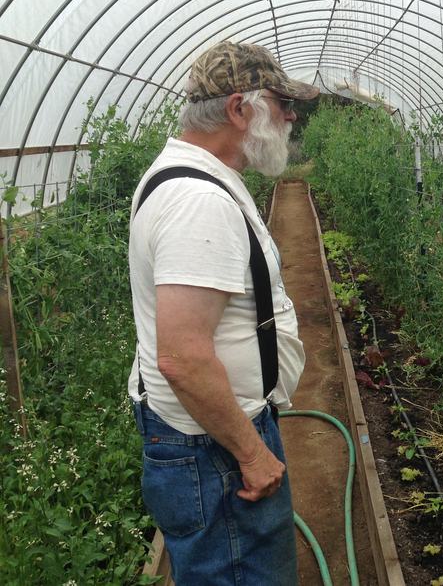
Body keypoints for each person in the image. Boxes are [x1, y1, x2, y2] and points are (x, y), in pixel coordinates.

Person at [127, 41, 319, 585]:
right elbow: (183, 357)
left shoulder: (195, 177)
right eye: (281, 102)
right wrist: (253, 454)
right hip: (213, 451)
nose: (290, 115)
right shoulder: (197, 200)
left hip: (206, 437)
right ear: (239, 109)